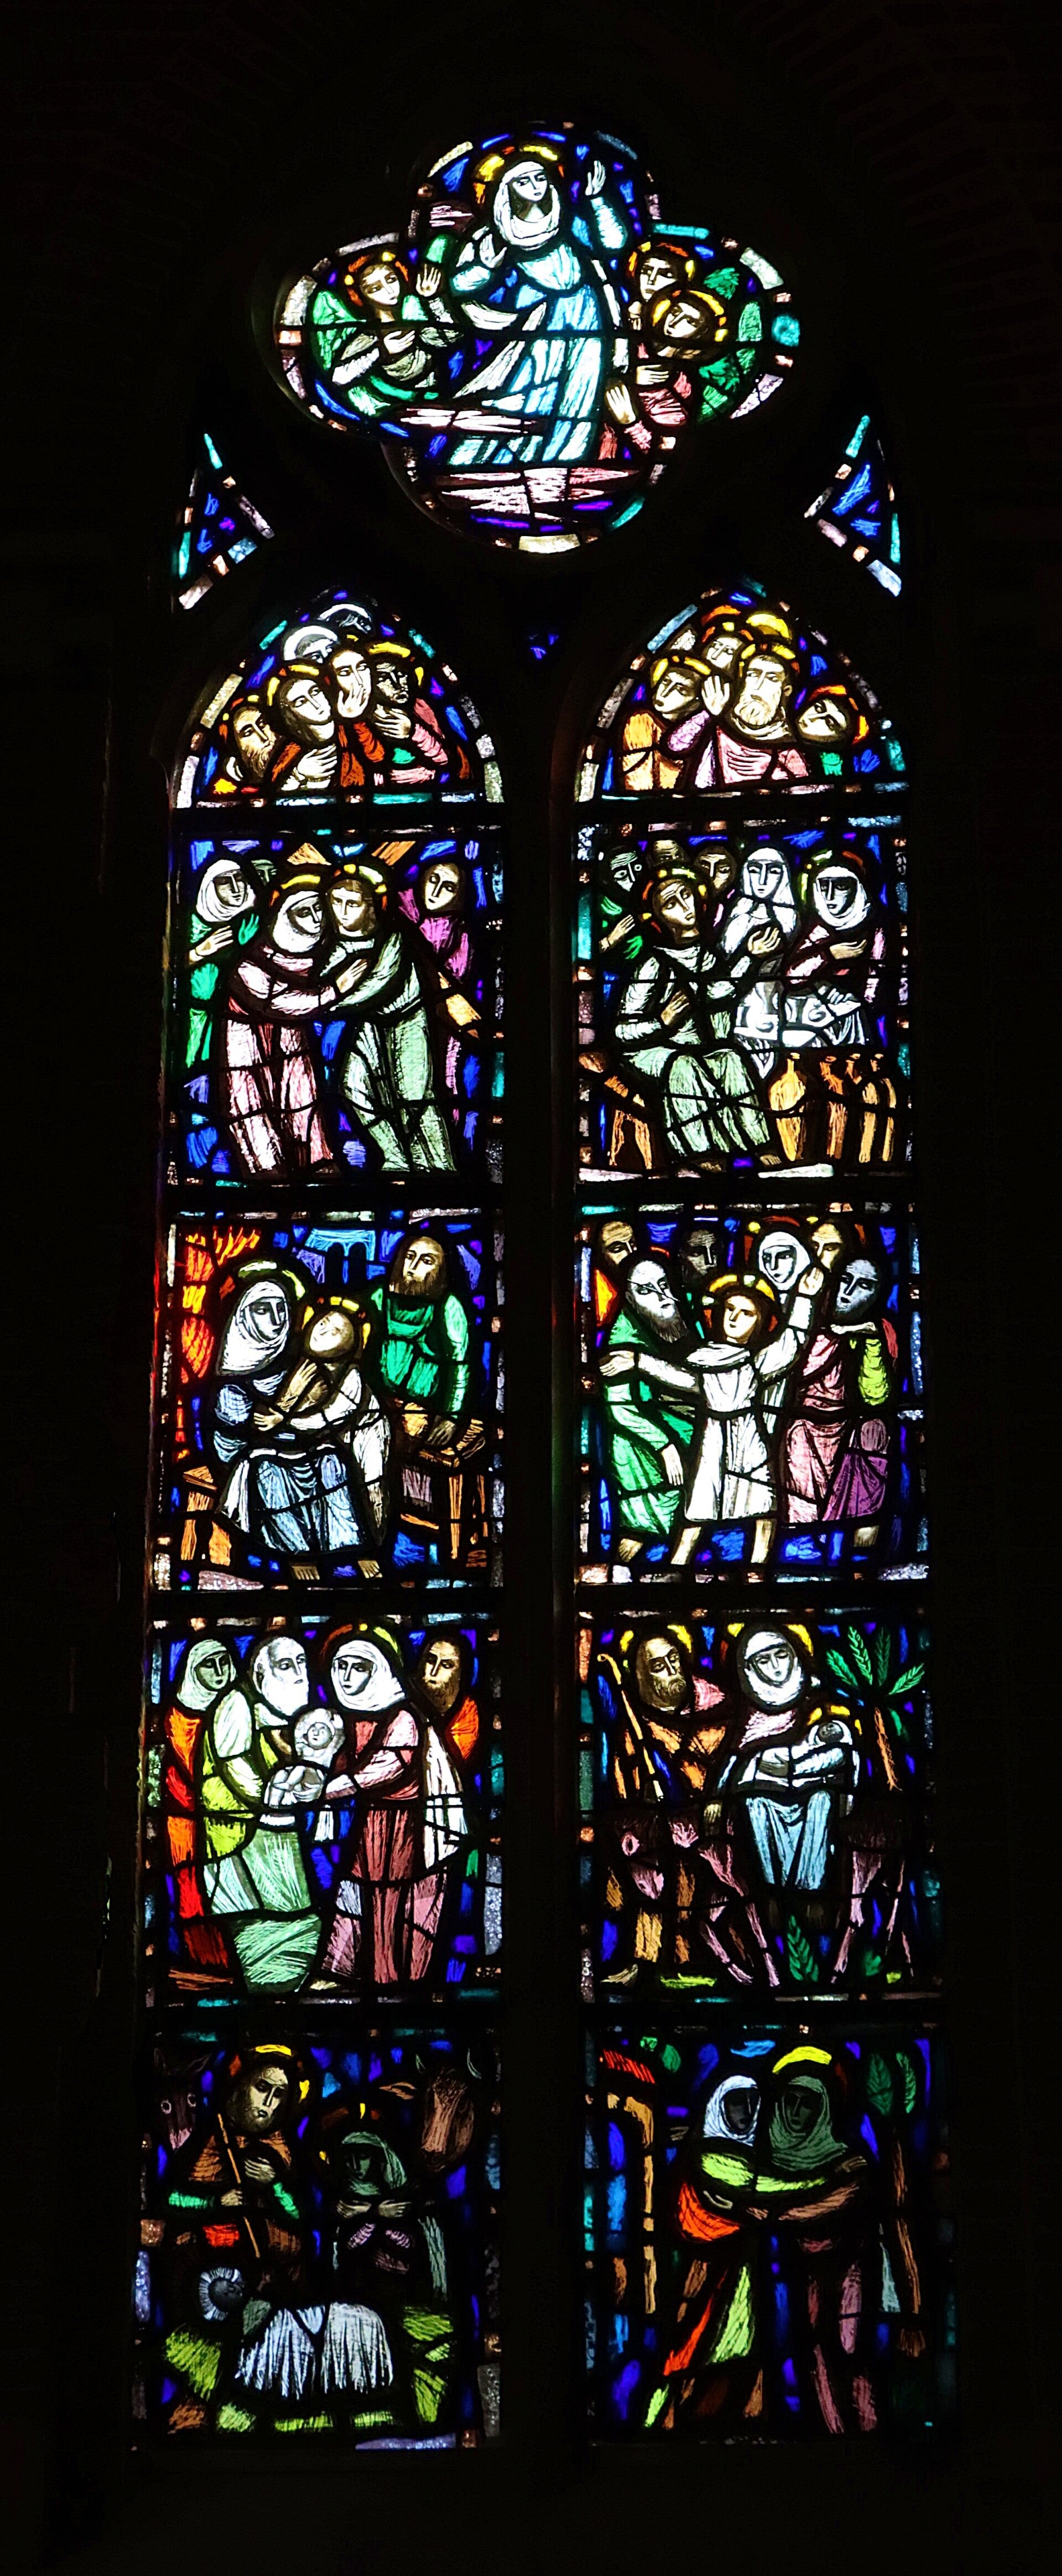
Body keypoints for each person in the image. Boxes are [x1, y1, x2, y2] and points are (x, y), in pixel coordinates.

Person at [444, 149, 629, 472]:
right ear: (507, 189)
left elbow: (614, 243)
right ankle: (481, 466)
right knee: (521, 394)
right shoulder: (496, 234)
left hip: (587, 319)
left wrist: (598, 199)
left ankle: (564, 466)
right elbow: (458, 286)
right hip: (535, 326)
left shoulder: (569, 224)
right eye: (524, 181)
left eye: (540, 177)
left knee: (580, 397)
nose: (535, 186)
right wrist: (485, 268)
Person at [210, 1270, 389, 1576]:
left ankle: (353, 1546)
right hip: (249, 1455)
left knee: (333, 1462)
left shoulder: (296, 1358)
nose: (276, 1319)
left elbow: (320, 1410)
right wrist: (285, 1406)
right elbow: (244, 1433)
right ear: (243, 1317)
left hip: (298, 1444)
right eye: (263, 1310)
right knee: (270, 1472)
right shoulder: (231, 1377)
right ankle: (297, 1554)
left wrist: (289, 1418)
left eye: (281, 1309)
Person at [318, 1632, 465, 1987]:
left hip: (404, 1828)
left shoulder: (403, 1717)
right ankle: (341, 1970)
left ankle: (389, 1979)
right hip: (371, 1824)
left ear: (379, 1671)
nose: (347, 1677)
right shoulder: (349, 1717)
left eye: (358, 1667)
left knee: (390, 1900)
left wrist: (332, 1789)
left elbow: (387, 1766)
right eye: (340, 1667)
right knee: (356, 1895)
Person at [612, 861, 772, 1166]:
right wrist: (662, 1022)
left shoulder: (707, 956)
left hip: (697, 1048)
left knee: (730, 1059)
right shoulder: (654, 964)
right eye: (671, 904)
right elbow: (621, 1032)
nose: (685, 906)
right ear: (658, 918)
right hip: (651, 1050)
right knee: (683, 1066)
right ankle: (701, 1156)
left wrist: (750, 956)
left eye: (686, 895)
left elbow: (717, 992)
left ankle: (762, 1149)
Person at [671, 1265, 824, 1569]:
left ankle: (759, 1567)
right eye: (729, 1309)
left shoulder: (758, 1363)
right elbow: (675, 1375)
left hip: (749, 1438)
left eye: (747, 1313)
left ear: (760, 1322)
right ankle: (677, 1566)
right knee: (699, 1505)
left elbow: (792, 1341)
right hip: (712, 1441)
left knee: (763, 1503)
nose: (734, 1318)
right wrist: (637, 1360)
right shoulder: (702, 1359)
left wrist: (805, 1298)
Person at [198, 1632, 322, 1994]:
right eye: (286, 1665)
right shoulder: (236, 1703)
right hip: (239, 1840)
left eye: (302, 1663)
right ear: (261, 1675)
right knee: (264, 1924)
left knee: (295, 1918)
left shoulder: (283, 1716)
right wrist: (272, 1797)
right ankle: (271, 1998)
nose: (298, 1674)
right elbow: (234, 1765)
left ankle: (284, 1995)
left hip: (274, 1836)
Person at [220, 868, 354, 1177]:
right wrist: (335, 990)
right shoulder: (251, 963)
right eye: (304, 912)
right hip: (248, 1048)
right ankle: (268, 1175)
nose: (316, 918)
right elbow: (279, 1002)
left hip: (292, 1043)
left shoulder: (320, 954)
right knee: (252, 1107)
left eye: (319, 908)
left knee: (303, 1099)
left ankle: (318, 1165)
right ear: (284, 916)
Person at [716, 1626, 857, 1915]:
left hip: (816, 1790)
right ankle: (772, 1893)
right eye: (764, 1661)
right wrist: (717, 1797)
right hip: (771, 1797)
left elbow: (841, 1752)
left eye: (781, 1655)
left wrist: (794, 1768)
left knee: (821, 1799)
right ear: (749, 1669)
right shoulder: (751, 1716)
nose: (776, 1666)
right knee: (754, 1801)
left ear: (795, 1654)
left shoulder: (819, 1702)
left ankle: (813, 1895)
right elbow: (735, 1757)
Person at [325, 864, 456, 1174]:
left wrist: (324, 1001)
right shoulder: (333, 945)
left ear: (371, 907)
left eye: (353, 903)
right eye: (337, 901)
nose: (343, 911)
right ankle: (395, 1158)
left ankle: (439, 1168)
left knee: (415, 1099)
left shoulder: (392, 940)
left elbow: (377, 984)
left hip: (408, 1022)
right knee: (353, 1086)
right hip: (370, 1024)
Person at [598, 1256, 700, 1560]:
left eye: (664, 1285)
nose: (661, 1296)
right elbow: (620, 1408)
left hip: (696, 1417)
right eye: (645, 1290)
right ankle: (629, 1556)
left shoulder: (687, 1312)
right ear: (630, 1299)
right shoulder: (622, 1337)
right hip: (647, 1434)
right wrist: (664, 1444)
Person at [163, 1637, 236, 1977]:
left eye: (224, 1663)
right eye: (210, 1665)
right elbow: (194, 1773)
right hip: (187, 1820)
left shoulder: (237, 1709)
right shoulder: (179, 1717)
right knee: (193, 1888)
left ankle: (229, 1962)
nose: (219, 1672)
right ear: (193, 1670)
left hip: (227, 1819)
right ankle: (206, 1962)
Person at [718, 848, 799, 1074]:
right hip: (732, 1012)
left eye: (773, 871)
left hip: (769, 1014)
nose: (762, 880)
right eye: (755, 870)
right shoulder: (735, 919)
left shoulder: (790, 921)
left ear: (783, 877)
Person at [265, 663, 338, 794]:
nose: (316, 704)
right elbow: (272, 792)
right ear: (291, 714)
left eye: (315, 692)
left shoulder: (357, 733)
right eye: (301, 702)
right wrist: (299, 774)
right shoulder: (290, 754)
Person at [414, 1628, 480, 1763]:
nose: (434, 1671)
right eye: (431, 1660)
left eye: (446, 1665)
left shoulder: (468, 1714)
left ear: (460, 1673)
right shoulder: (404, 1708)